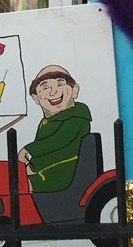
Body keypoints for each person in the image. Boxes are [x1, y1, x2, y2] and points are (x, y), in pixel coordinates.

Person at [18, 65, 91, 193]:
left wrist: (29, 151)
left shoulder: (77, 118)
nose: (53, 92)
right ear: (36, 97)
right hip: (42, 169)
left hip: (63, 173)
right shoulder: (46, 123)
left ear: (74, 90)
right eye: (45, 87)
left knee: (18, 186)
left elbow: (57, 142)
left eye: (60, 84)